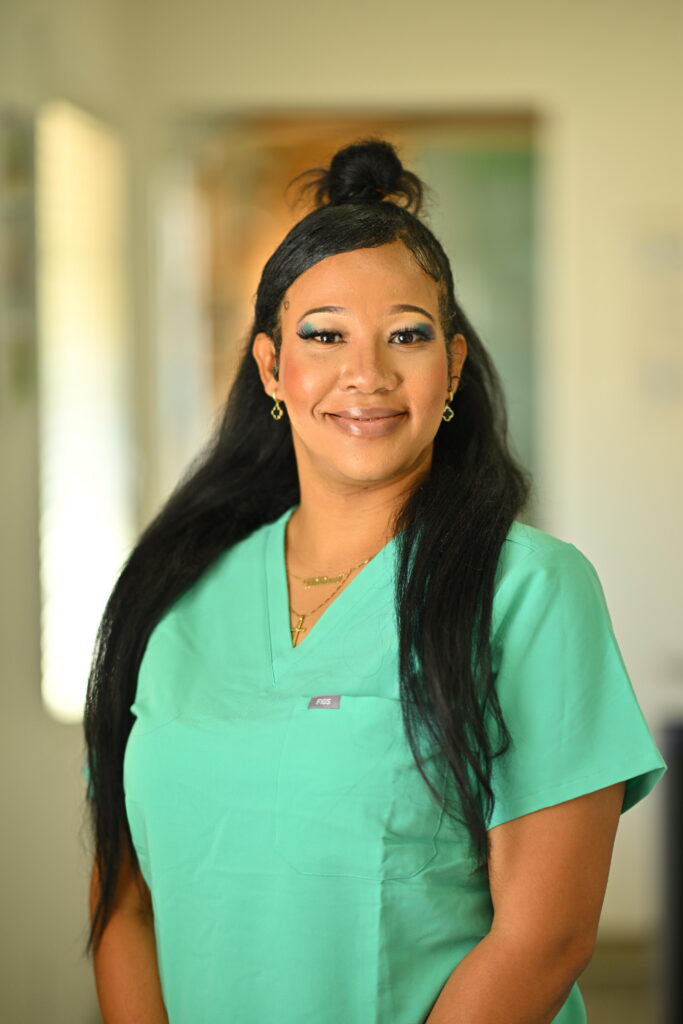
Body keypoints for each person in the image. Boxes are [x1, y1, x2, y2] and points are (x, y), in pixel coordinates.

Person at [82, 137, 666, 1024]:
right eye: (323, 336)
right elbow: (124, 906)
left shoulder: (530, 592)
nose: (367, 373)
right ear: (273, 366)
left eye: (406, 335)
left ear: (453, 368)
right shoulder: (171, 595)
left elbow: (544, 937)